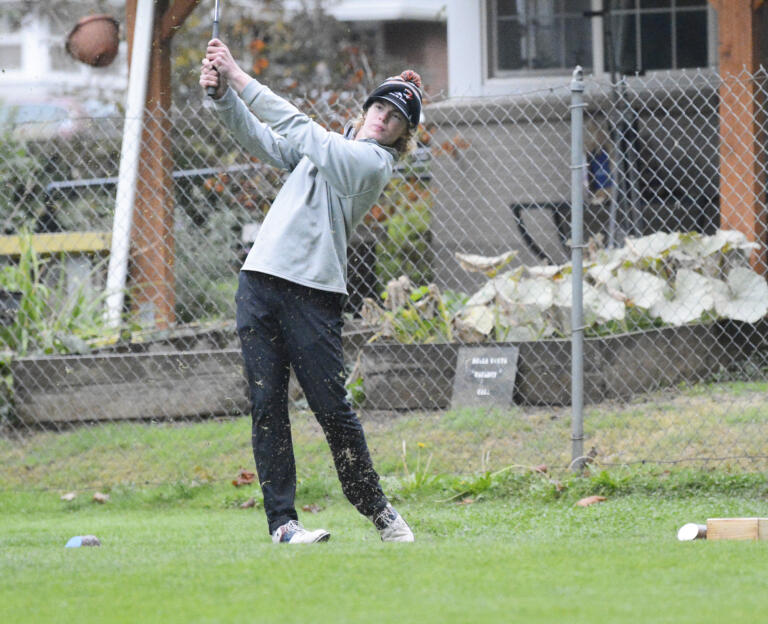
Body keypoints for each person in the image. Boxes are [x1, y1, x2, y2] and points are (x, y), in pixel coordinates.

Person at [200, 38, 421, 544]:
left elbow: (301, 130)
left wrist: (236, 74)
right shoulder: (330, 146)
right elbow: (266, 140)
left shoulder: (370, 163)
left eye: (395, 118)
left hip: (313, 292)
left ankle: (378, 510)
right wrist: (221, 98)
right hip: (259, 280)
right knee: (266, 404)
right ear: (367, 109)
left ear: (404, 135)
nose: (383, 118)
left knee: (331, 408)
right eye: (380, 107)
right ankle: (283, 525)